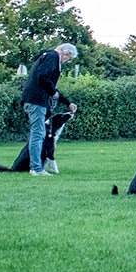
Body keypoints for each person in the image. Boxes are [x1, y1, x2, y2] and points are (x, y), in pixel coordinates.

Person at [20, 42, 78, 177]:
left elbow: (48, 83)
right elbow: (44, 78)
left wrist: (67, 102)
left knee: (38, 133)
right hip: (37, 101)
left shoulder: (46, 56)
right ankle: (36, 168)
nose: (66, 62)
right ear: (66, 53)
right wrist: (53, 92)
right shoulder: (53, 57)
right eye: (68, 59)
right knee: (38, 133)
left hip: (33, 99)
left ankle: (34, 166)